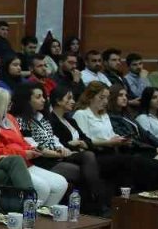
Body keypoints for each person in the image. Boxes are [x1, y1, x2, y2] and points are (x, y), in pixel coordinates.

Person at [13, 82, 101, 211]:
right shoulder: (21, 120)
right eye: (38, 97)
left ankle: (92, 204)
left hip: (55, 157)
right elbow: (33, 147)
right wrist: (57, 153)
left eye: (43, 96)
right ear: (27, 99)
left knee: (88, 159)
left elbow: (53, 138)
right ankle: (92, 205)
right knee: (81, 172)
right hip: (40, 160)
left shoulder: (42, 117)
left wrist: (61, 148)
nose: (43, 99)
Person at [0, 88, 68, 206]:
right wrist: (24, 153)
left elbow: (21, 141)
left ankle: (41, 217)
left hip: (25, 161)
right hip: (10, 163)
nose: (10, 105)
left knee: (61, 183)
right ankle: (29, 218)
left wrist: (31, 149)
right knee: (42, 188)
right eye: (8, 103)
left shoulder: (10, 118)